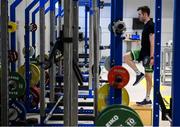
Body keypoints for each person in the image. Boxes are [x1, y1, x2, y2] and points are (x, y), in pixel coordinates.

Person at [124, 6, 154, 105]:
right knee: (126, 57)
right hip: (142, 51)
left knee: (148, 77)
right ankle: (138, 73)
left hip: (148, 55)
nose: (138, 16)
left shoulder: (151, 25)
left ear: (145, 14)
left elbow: (152, 42)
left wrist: (152, 57)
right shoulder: (145, 25)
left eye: (140, 14)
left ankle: (148, 99)